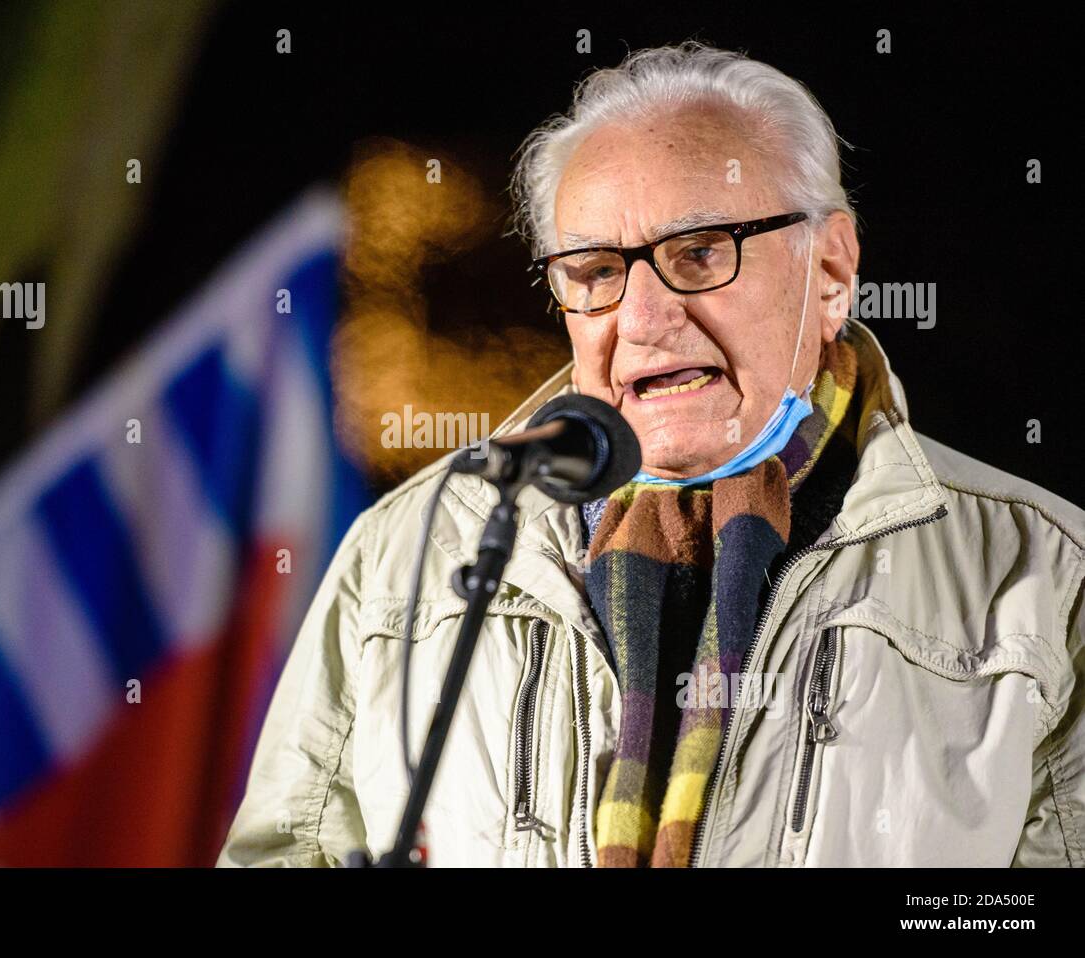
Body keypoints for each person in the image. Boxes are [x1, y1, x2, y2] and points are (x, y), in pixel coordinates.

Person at [218, 42, 1085, 867]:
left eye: (700, 253)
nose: (641, 317)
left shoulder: (1046, 572)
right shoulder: (407, 549)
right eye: (594, 272)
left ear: (830, 269)